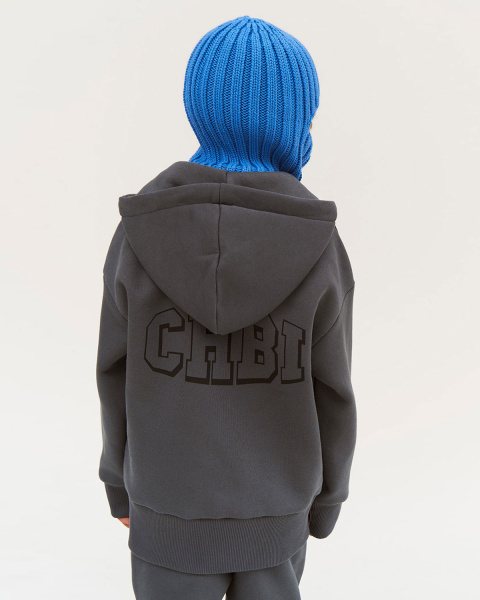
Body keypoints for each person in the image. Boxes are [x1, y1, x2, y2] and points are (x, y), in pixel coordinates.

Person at [96, 14, 357, 600]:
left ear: (199, 108)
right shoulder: (319, 244)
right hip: (277, 517)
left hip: (165, 512)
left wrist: (118, 484)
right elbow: (333, 386)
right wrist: (326, 502)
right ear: (293, 121)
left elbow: (114, 368)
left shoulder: (139, 232)